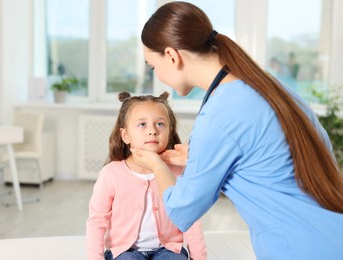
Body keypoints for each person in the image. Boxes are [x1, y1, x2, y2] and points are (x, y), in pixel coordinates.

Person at [130, 1, 343, 259]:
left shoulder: (218, 115)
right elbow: (273, 160)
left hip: (296, 248)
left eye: (153, 66)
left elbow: (181, 210)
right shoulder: (272, 88)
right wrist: (200, 158)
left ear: (172, 56)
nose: (158, 75)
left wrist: (156, 165)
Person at [86, 91, 207, 260]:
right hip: (124, 251)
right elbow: (97, 221)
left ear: (170, 132)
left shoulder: (178, 172)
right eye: (142, 124)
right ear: (125, 135)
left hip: (168, 249)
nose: (152, 131)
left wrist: (199, 257)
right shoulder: (111, 174)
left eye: (160, 124)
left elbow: (190, 219)